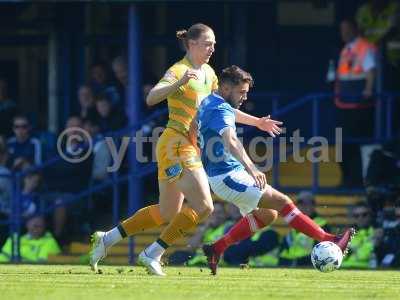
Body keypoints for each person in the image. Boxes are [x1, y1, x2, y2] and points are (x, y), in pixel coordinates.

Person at [89, 23, 282, 275]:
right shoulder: (179, 69)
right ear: (191, 44)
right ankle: (152, 253)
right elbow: (151, 98)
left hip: (187, 146)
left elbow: (220, 110)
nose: (212, 47)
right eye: (207, 43)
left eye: (213, 43)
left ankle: (108, 239)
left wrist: (257, 121)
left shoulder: (210, 74)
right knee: (204, 206)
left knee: (168, 212)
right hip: (176, 143)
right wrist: (178, 82)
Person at [195, 65, 355, 275]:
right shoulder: (220, 109)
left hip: (223, 176)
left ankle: (217, 248)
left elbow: (231, 113)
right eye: (241, 92)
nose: (244, 97)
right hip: (228, 176)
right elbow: (232, 140)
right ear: (225, 88)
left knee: (268, 214)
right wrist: (252, 168)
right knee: (282, 202)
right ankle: (331, 240)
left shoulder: (210, 101)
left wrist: (258, 122)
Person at [335, 19, 377, 187]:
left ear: (354, 29)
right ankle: (347, 180)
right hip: (344, 101)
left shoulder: (364, 47)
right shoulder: (346, 49)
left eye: (346, 29)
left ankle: (358, 181)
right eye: (341, 30)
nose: (343, 33)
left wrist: (368, 90)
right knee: (343, 143)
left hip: (360, 104)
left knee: (358, 142)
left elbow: (371, 70)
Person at [279, 191, 329, 267]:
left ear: (314, 205)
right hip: (291, 266)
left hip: (309, 266)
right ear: (297, 206)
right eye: (302, 203)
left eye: (310, 203)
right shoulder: (294, 224)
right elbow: (285, 251)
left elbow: (322, 252)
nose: (306, 206)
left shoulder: (322, 224)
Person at [341, 202, 376, 269]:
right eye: (357, 216)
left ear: (370, 216)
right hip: (343, 269)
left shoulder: (375, 233)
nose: (360, 218)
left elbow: (362, 256)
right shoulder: (349, 234)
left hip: (362, 270)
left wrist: (351, 249)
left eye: (364, 215)